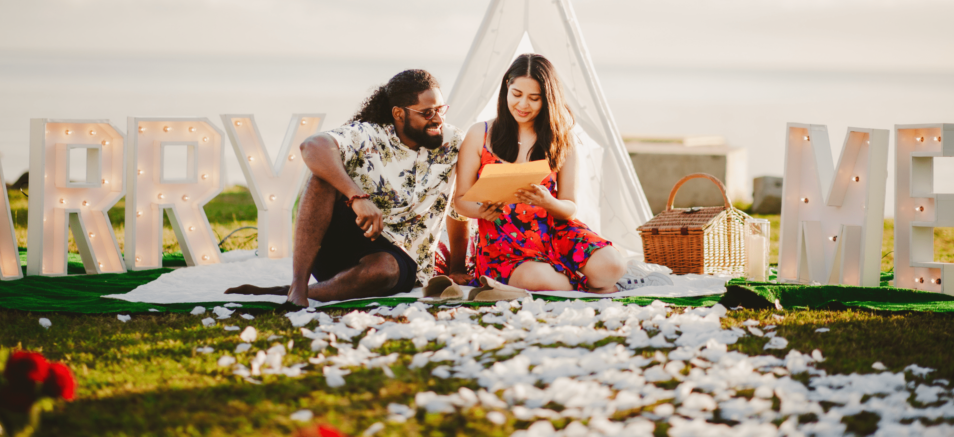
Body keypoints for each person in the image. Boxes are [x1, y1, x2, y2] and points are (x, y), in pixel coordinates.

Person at [226, 69, 462, 307]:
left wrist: (458, 267)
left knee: (384, 270)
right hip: (343, 245)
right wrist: (357, 197)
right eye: (428, 112)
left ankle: (291, 292)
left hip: (400, 260)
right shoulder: (368, 134)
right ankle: (298, 288)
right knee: (322, 176)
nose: (438, 119)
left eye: (441, 109)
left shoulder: (452, 143)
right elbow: (312, 145)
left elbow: (459, 204)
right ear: (399, 114)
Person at [446, 54, 663, 293]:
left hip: (554, 230)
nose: (523, 105)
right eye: (517, 94)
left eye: (534, 98)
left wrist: (548, 202)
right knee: (539, 279)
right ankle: (591, 286)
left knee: (613, 266)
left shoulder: (561, 138)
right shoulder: (480, 133)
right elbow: (459, 200)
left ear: (547, 99)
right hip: (502, 241)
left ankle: (592, 282)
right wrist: (481, 211)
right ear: (506, 87)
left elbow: (570, 206)